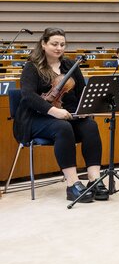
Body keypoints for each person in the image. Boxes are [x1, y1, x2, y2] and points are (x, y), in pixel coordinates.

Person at [15, 27, 107, 202]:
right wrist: (53, 111)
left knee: (90, 126)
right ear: (43, 44)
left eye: (62, 44)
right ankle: (72, 184)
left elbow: (81, 92)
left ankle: (94, 179)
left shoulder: (70, 65)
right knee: (62, 127)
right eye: (54, 44)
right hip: (36, 118)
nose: (59, 48)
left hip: (67, 115)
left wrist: (84, 109)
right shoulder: (32, 67)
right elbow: (27, 96)